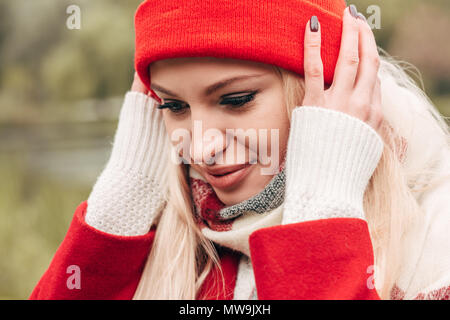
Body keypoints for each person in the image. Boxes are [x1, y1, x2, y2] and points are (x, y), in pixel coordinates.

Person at [30, 1, 449, 300]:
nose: (200, 148)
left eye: (236, 99)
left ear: (329, 87)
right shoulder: (169, 234)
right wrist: (121, 200)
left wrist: (321, 215)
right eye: (173, 106)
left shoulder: (435, 234)